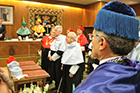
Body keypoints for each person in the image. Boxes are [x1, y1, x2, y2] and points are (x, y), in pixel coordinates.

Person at [74, 1, 140, 93]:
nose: (92, 41)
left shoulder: (88, 89)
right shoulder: (136, 69)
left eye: (93, 36)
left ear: (102, 43)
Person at [48, 25, 67, 92]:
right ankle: (56, 85)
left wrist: (53, 58)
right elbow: (51, 48)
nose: (54, 32)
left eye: (55, 30)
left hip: (58, 59)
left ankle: (60, 88)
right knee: (54, 73)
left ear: (59, 31)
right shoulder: (55, 38)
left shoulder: (63, 39)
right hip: (52, 58)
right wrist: (49, 56)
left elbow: (61, 51)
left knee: (58, 74)